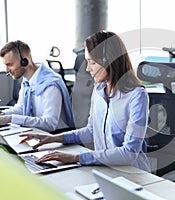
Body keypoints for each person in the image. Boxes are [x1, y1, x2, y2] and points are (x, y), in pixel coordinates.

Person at [20, 31, 151, 171]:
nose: (88, 68)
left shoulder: (137, 96)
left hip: (133, 173)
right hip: (105, 169)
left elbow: (129, 153)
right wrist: (53, 138)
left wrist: (77, 158)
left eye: (92, 62)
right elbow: (91, 130)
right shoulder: (99, 89)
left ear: (109, 61)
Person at [0, 40, 75, 132]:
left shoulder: (50, 85)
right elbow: (21, 108)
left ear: (25, 61)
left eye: (10, 65)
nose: (7, 70)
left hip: (54, 136)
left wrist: (10, 119)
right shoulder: (27, 81)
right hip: (37, 133)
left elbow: (49, 123)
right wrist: (3, 114)